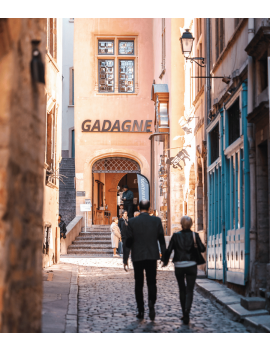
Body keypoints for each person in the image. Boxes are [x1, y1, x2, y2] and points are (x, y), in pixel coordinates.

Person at [123, 200, 166, 321]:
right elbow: (161, 239)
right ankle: (151, 303)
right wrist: (165, 256)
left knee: (139, 283)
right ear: (149, 208)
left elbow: (128, 242)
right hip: (152, 256)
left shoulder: (132, 221)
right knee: (152, 282)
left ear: (138, 207)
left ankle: (140, 309)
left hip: (137, 256)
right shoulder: (156, 221)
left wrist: (125, 259)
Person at [162, 216, 206, 325]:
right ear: (191, 224)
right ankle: (187, 311)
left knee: (182, 289)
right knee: (190, 290)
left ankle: (183, 313)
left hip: (179, 265)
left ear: (181, 224)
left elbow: (169, 249)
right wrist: (198, 244)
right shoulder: (194, 235)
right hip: (191, 265)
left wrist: (165, 260)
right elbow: (202, 249)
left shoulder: (176, 236)